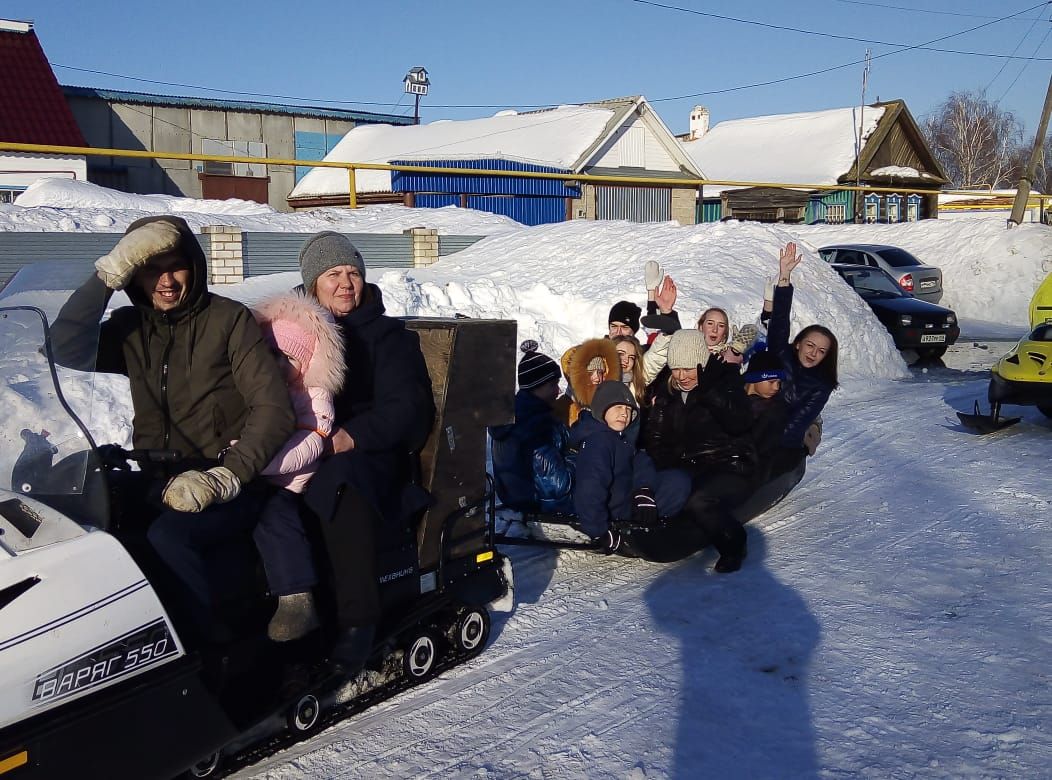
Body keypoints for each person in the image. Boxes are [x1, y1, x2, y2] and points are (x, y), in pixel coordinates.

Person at [51, 215, 295, 642]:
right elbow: (64, 348)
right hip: (155, 477)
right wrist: (105, 277)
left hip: (222, 479)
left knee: (168, 536)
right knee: (80, 524)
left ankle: (205, 655)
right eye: (149, 268)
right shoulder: (131, 328)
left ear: (195, 266)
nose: (164, 281)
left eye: (175, 266)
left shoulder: (228, 320)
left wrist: (227, 476)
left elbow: (272, 408)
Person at [295, 231, 435, 675]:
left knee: (340, 486)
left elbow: (407, 408)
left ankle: (359, 618)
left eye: (353, 273)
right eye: (332, 274)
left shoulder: (388, 337)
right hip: (303, 441)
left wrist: (349, 436)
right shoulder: (296, 331)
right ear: (312, 283)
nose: (345, 283)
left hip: (371, 453)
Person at [250, 291, 346, 643]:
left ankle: (295, 595)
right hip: (252, 472)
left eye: (287, 357)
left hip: (287, 482)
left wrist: (257, 464)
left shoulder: (314, 393)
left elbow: (310, 442)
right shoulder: (258, 387)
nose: (276, 363)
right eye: (270, 353)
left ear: (305, 363)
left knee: (274, 518)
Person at [641, 329, 755, 572]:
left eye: (688, 368)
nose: (682, 376)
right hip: (689, 465)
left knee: (698, 500)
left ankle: (734, 545)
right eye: (676, 369)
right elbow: (657, 436)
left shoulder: (725, 379)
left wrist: (709, 393)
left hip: (728, 462)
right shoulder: (668, 390)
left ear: (701, 362)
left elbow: (739, 421)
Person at [570, 380, 690, 553]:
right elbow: (590, 488)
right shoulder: (598, 442)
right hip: (613, 511)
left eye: (629, 410)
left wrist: (644, 490)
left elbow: (640, 461)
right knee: (677, 483)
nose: (624, 414)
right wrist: (600, 532)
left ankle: (652, 520)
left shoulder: (621, 438)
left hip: (628, 498)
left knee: (677, 479)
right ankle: (635, 531)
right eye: (618, 407)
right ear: (602, 409)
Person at [767, 242, 839, 472]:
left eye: (821, 351)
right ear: (798, 344)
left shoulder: (821, 385)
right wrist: (784, 277)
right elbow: (778, 321)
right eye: (810, 345)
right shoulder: (781, 354)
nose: (813, 353)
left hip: (781, 439)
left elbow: (794, 426)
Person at [490, 340, 575, 514]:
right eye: (552, 385)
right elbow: (556, 486)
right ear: (535, 387)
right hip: (538, 504)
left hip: (515, 497)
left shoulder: (513, 415)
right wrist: (583, 461)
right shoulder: (534, 426)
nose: (558, 391)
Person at [560, 337, 620, 426]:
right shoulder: (563, 408)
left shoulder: (611, 404)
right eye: (590, 373)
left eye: (600, 372)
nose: (597, 378)